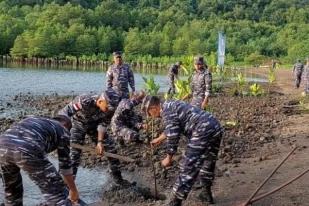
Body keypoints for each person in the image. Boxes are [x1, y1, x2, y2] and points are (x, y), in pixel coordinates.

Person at [142, 96, 223, 206]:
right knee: (208, 161)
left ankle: (175, 201)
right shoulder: (170, 104)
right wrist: (159, 139)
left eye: (149, 113)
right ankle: (206, 194)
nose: (151, 116)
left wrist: (168, 158)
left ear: (153, 108)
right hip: (215, 126)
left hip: (201, 129)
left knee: (188, 165)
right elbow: (174, 126)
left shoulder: (166, 111)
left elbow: (173, 134)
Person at [0, 115, 79, 205]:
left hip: (2, 145)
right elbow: (65, 166)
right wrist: (73, 190)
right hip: (27, 147)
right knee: (56, 193)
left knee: (12, 191)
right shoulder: (63, 130)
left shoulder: (35, 119)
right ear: (66, 126)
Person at [58, 88, 129, 185]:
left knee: (111, 148)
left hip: (94, 126)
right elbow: (64, 112)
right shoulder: (84, 100)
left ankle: (118, 180)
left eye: (111, 109)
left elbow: (103, 124)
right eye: (107, 108)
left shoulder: (110, 109)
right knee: (74, 156)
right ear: (100, 101)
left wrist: (100, 143)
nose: (109, 111)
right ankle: (65, 186)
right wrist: (62, 132)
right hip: (77, 125)